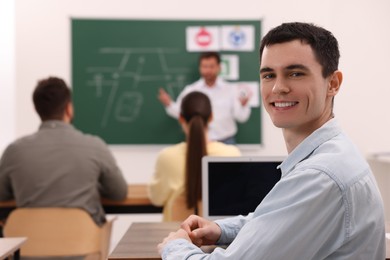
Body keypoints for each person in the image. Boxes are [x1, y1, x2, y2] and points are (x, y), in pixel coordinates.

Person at [157, 22, 386, 259]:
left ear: (333, 83)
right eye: (268, 75)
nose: (278, 88)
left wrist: (175, 246)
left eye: (295, 73)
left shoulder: (320, 176)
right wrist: (221, 229)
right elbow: (281, 220)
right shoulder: (333, 153)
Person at [0, 76, 128, 226]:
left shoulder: (14, 151)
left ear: (36, 109)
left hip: (31, 245)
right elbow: (119, 193)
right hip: (84, 244)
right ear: (69, 108)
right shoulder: (95, 146)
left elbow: (2, 194)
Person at [148, 91, 240, 221]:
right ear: (211, 117)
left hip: (175, 237)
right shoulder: (231, 155)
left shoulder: (166, 157)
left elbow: (156, 199)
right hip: (218, 239)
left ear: (180, 118)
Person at [158, 52, 251, 144]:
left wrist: (243, 106)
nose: (208, 70)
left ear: (219, 67)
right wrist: (169, 104)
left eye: (211, 66)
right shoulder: (191, 90)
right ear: (200, 68)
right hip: (199, 141)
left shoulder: (231, 89)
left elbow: (241, 118)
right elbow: (180, 112)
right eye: (204, 66)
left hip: (227, 141)